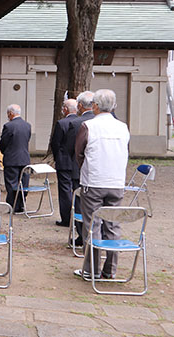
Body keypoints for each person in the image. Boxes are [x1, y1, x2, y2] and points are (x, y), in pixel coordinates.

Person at [74, 89, 130, 280]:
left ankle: (92, 269)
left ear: (95, 106)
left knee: (92, 225)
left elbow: (79, 153)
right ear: (114, 106)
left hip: (94, 182)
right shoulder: (123, 127)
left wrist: (87, 169)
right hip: (116, 182)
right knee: (113, 224)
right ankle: (110, 269)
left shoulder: (88, 126)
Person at [65, 90, 95, 245]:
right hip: (100, 173)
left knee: (79, 204)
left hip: (79, 169)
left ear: (81, 106)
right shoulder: (105, 121)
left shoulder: (76, 123)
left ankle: (82, 236)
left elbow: (71, 148)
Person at [51, 98, 78, 226]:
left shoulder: (61, 123)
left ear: (66, 109)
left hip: (64, 161)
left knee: (65, 190)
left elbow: (55, 143)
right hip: (77, 162)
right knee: (76, 188)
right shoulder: (81, 122)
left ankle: (66, 218)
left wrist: (58, 157)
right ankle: (78, 217)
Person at [0, 104, 31, 212]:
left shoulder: (8, 126)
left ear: (11, 113)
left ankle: (12, 205)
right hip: (24, 158)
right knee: (24, 183)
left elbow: (3, 143)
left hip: (11, 158)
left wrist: (4, 151)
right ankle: (21, 204)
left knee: (12, 183)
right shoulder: (27, 125)